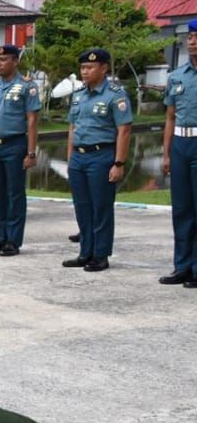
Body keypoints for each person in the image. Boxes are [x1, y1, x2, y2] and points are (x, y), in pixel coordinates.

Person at [64, 48, 133, 273]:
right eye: (83, 67)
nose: (85, 72)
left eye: (90, 67)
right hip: (79, 157)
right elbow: (72, 128)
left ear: (103, 68)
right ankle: (86, 252)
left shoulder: (115, 94)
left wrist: (119, 163)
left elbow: (124, 130)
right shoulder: (78, 95)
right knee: (82, 207)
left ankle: (101, 255)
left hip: (101, 156)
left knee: (101, 208)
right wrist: (70, 157)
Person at [0, 44, 40, 257]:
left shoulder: (27, 86)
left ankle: (12, 241)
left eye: (4, 59)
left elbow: (32, 120)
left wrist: (31, 152)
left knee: (14, 194)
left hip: (15, 145)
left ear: (15, 61)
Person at [161, 19, 197, 288]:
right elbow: (170, 117)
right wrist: (166, 154)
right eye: (190, 37)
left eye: (196, 36)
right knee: (182, 209)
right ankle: (182, 266)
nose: (192, 41)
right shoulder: (177, 76)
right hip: (181, 145)